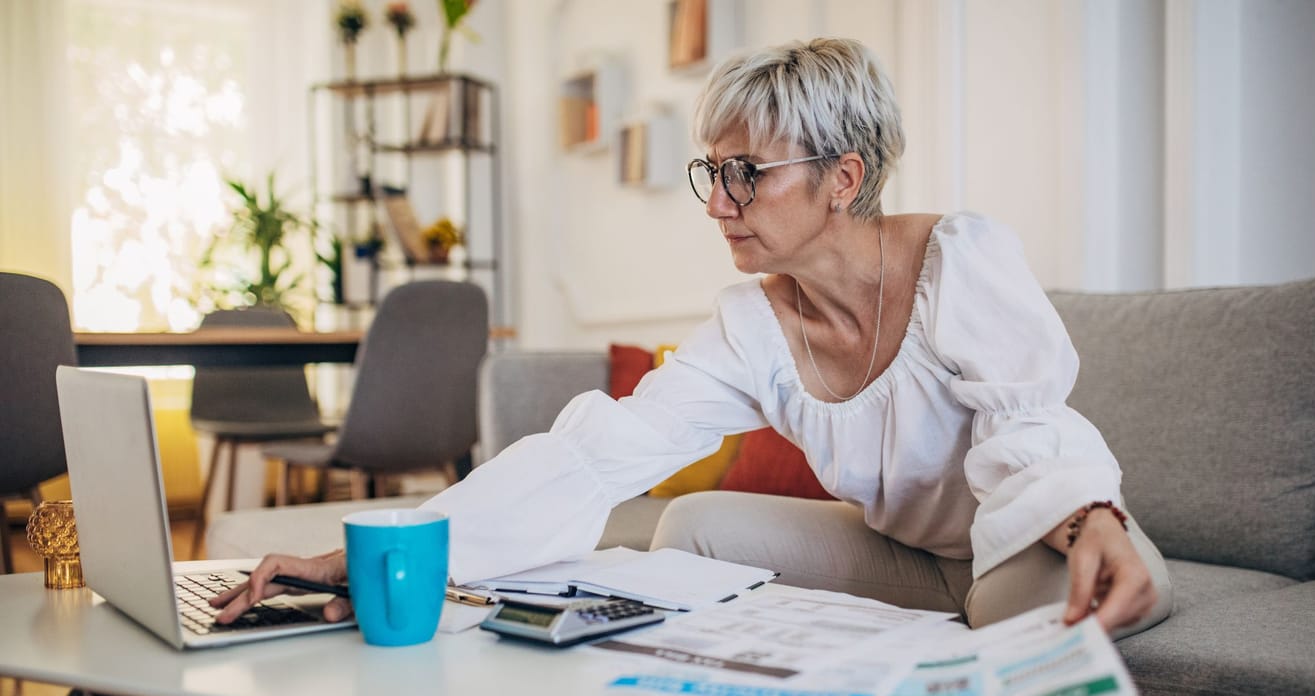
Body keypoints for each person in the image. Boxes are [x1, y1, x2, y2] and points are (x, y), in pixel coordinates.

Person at [213, 37, 1172, 642]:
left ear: (844, 177)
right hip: (907, 555)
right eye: (709, 172)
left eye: (746, 173)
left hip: (1022, 537)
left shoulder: (958, 259)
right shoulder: (752, 322)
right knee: (691, 529)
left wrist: (1091, 522)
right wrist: (386, 551)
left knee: (1043, 632)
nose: (716, 203)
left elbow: (1030, 425)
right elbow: (598, 458)